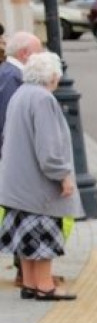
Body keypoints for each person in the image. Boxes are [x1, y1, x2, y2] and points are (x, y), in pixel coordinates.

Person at [0, 52, 82, 301]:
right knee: (43, 237)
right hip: (38, 185)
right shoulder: (43, 99)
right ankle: (45, 286)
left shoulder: (21, 94)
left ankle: (30, 283)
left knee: (25, 237)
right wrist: (63, 176)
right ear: (53, 76)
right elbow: (49, 148)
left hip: (17, 183)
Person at [0, 32, 44, 288]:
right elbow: (8, 122)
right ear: (26, 54)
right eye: (38, 51)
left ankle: (28, 273)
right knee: (20, 213)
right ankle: (26, 273)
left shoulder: (11, 74)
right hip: (13, 159)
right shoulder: (11, 77)